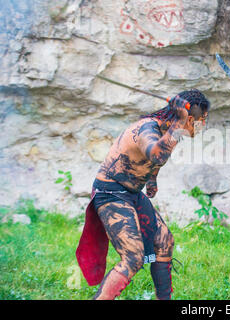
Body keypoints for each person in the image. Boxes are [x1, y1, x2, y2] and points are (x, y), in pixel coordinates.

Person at [76, 89, 210, 300]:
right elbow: (156, 154)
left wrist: (152, 179)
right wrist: (179, 123)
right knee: (133, 257)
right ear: (189, 118)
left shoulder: (169, 130)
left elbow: (153, 159)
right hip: (111, 193)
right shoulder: (148, 128)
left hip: (131, 193)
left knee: (164, 240)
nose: (204, 125)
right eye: (203, 120)